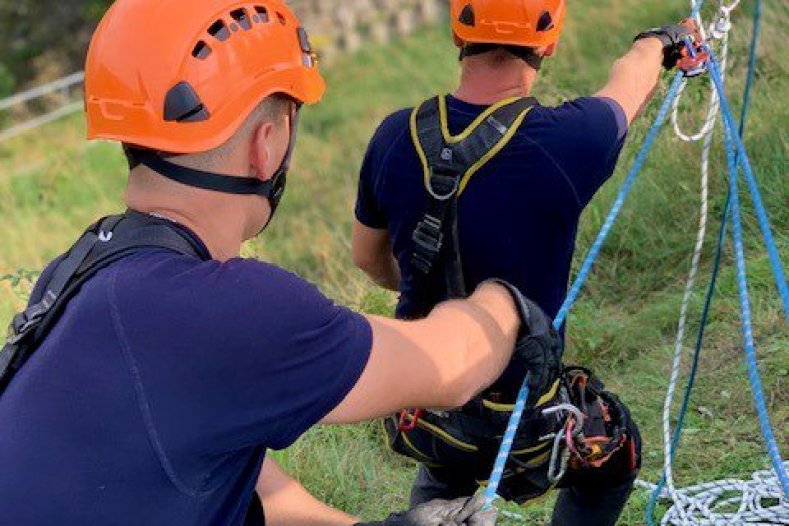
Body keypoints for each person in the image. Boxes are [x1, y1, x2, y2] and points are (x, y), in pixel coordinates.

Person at [0, 0, 564, 524]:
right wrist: (507, 301)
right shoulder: (229, 308)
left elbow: (257, 486)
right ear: (266, 143)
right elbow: (450, 364)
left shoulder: (81, 269)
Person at [351, 1, 702, 524]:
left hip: (420, 409)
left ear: (457, 35)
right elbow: (629, 82)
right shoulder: (567, 140)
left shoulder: (393, 137)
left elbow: (368, 259)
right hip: (521, 422)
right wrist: (665, 38)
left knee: (450, 461)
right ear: (549, 41)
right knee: (616, 450)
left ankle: (440, 499)